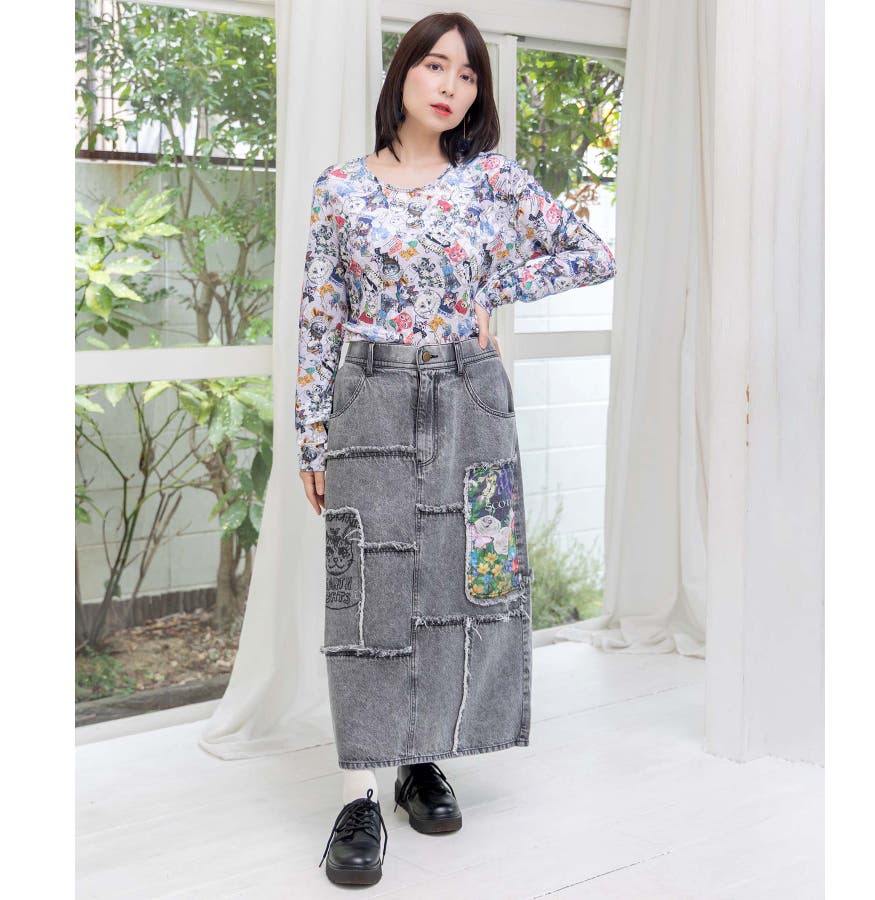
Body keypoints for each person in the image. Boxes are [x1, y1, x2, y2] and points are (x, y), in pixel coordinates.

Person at [295, 11, 616, 887]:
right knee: (364, 591)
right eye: (436, 65)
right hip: (369, 394)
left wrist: (488, 286)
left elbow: (591, 253)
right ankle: (360, 793)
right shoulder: (340, 188)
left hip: (469, 394)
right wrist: (311, 438)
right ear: (403, 73)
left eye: (468, 74)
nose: (451, 85)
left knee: (463, 573)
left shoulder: (492, 181)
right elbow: (319, 315)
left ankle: (421, 759)